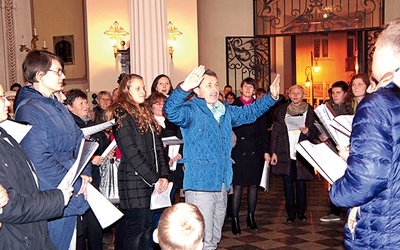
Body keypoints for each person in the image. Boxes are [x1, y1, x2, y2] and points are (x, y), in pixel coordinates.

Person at [164, 65, 280, 249]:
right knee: (201, 238)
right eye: (208, 84)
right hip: (201, 184)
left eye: (216, 84)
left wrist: (271, 98)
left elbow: (249, 113)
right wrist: (183, 88)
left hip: (221, 182)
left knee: (214, 237)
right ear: (197, 89)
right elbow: (170, 110)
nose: (214, 88)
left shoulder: (224, 109)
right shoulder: (190, 110)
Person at [329, 18, 400, 249]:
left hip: (383, 228)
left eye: (375, 49)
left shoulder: (377, 104)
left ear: (386, 52)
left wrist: (337, 191)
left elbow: (367, 179)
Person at [14, 50, 90, 249]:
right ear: (40, 75)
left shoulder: (56, 104)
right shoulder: (29, 108)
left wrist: (86, 173)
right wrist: (74, 181)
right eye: (58, 72)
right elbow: (38, 159)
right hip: (53, 194)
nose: (63, 76)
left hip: (72, 187)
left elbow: (79, 139)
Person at [0, 82, 75, 249]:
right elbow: (9, 206)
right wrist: (57, 198)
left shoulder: (5, 133)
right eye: (2, 98)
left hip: (32, 231)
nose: (7, 103)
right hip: (16, 238)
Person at [106, 73, 170, 250]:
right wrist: (155, 178)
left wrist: (164, 175)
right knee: (136, 230)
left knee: (147, 228)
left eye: (143, 87)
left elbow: (158, 147)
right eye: (138, 88)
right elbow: (131, 153)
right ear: (127, 91)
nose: (143, 91)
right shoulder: (121, 114)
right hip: (134, 180)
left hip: (150, 180)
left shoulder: (144, 112)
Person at [65, 89, 111, 250]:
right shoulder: (70, 126)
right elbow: (69, 153)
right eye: (81, 103)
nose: (85, 106)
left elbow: (99, 144)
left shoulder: (90, 124)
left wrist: (107, 150)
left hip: (96, 177)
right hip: (81, 179)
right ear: (70, 107)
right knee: (83, 226)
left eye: (85, 102)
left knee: (95, 222)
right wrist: (91, 159)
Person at [270, 85, 318, 223]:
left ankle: (301, 212)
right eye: (293, 93)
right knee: (288, 184)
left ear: (303, 95)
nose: (295, 95)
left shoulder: (310, 110)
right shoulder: (281, 111)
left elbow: (315, 132)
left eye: (298, 93)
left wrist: (307, 132)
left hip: (302, 152)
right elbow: (275, 133)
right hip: (285, 151)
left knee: (301, 183)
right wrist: (273, 152)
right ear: (289, 95)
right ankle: (290, 213)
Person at [230, 77, 270, 235]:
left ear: (254, 91)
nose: (248, 89)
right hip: (238, 150)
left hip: (254, 151)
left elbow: (263, 133)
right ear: (241, 88)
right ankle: (234, 219)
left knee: (253, 186)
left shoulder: (258, 107)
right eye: (245, 86)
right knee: (238, 186)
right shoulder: (233, 107)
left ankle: (251, 217)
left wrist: (266, 151)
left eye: (251, 87)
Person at [146, 92, 184, 250]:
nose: (161, 106)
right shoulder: (148, 123)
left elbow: (183, 139)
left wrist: (180, 152)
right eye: (158, 103)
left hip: (174, 169)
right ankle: (152, 243)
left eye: (164, 104)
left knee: (167, 207)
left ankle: (165, 241)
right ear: (151, 106)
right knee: (155, 208)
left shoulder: (172, 122)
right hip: (157, 170)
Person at [319, 80, 354, 222]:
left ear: (345, 94)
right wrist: (320, 135)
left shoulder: (350, 109)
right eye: (333, 93)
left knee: (350, 179)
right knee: (334, 179)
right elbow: (319, 126)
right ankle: (334, 211)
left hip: (347, 149)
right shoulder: (326, 108)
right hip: (332, 147)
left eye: (338, 92)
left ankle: (351, 211)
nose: (335, 95)